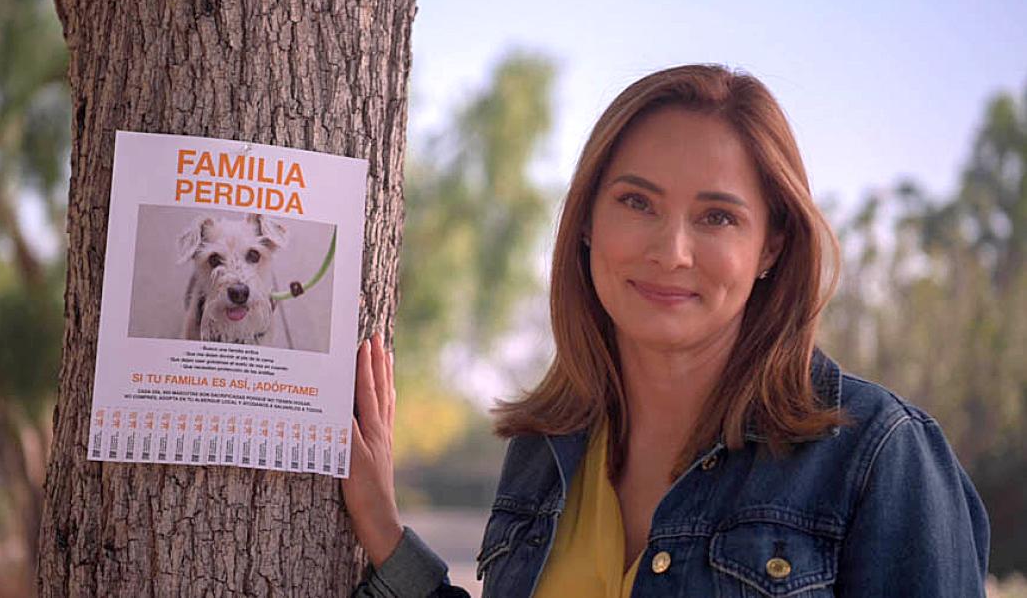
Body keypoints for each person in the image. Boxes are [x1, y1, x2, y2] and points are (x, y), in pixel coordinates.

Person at [341, 64, 990, 597]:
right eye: (637, 202)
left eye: (717, 217)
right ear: (587, 220)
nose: (671, 251)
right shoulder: (546, 453)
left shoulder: (877, 455)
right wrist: (384, 532)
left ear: (770, 247)